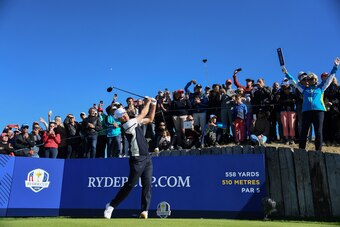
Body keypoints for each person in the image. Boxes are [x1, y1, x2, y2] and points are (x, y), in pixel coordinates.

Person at [104, 97, 156, 219]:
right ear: (120, 119)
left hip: (147, 157)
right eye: (122, 116)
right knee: (130, 185)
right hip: (137, 159)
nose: (125, 116)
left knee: (147, 184)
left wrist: (154, 104)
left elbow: (150, 118)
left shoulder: (134, 121)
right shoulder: (127, 125)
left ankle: (145, 211)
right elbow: (143, 113)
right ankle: (111, 206)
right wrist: (148, 102)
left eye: (125, 114)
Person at [282, 57, 339, 151]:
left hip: (319, 111)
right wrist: (286, 73)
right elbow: (294, 82)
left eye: (311, 79)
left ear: (316, 80)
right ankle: (301, 150)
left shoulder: (321, 87)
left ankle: (318, 151)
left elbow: (330, 78)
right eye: (308, 79)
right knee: (304, 131)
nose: (309, 80)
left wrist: (335, 66)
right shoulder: (304, 89)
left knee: (318, 132)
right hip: (306, 112)